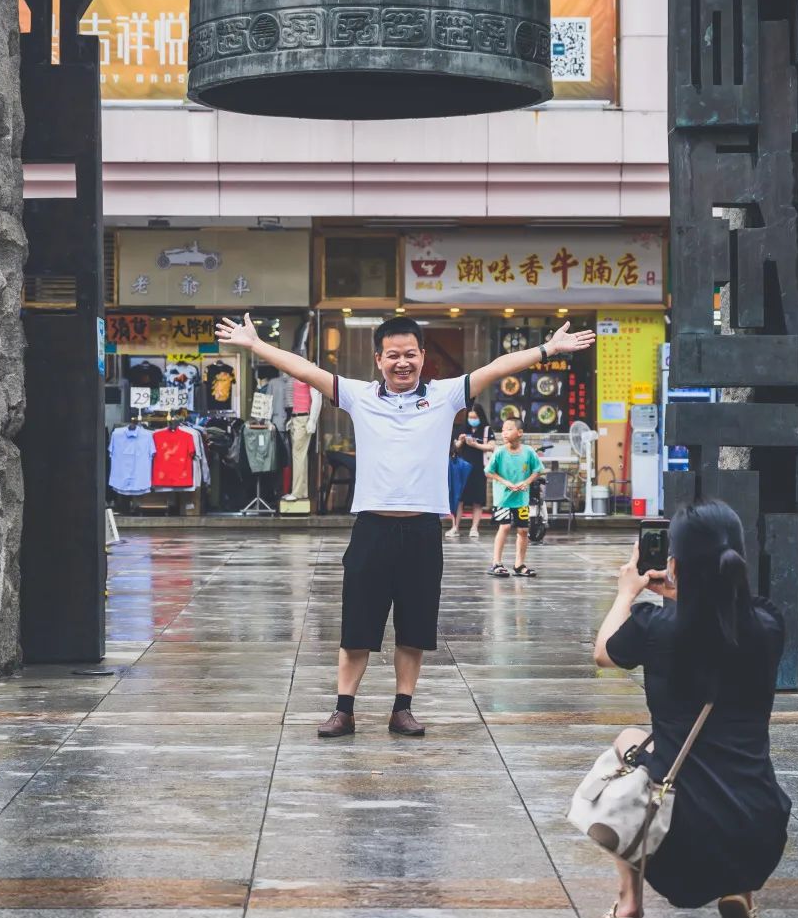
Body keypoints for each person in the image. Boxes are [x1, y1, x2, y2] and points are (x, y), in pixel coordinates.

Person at [215, 311, 595, 739]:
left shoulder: (446, 395)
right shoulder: (359, 395)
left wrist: (548, 349)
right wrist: (255, 345)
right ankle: (344, 710)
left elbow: (496, 367)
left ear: (423, 356)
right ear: (378, 359)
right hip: (372, 529)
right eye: (392, 355)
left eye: (409, 354)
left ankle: (403, 708)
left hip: (421, 532)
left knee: (414, 628)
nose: (402, 363)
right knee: (357, 628)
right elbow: (305, 369)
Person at [592, 501, 791, 918]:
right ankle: (742, 896)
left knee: (626, 744)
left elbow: (604, 652)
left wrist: (627, 592)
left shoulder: (654, 627)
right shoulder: (768, 624)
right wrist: (688, 593)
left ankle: (628, 905)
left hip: (678, 841)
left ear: (673, 562)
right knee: (731, 767)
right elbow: (723, 619)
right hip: (758, 832)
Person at [486, 418, 544, 578]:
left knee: (523, 530)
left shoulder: (529, 451)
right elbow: (489, 471)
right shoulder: (499, 452)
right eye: (503, 429)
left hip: (521, 499)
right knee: (504, 527)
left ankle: (519, 565)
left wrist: (527, 482)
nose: (504, 432)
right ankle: (496, 563)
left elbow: (538, 470)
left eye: (509, 429)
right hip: (503, 498)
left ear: (520, 433)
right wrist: (505, 482)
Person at [449, 400, 494, 539]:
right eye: (470, 417)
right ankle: (455, 527)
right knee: (459, 498)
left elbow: (491, 446)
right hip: (462, 469)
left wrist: (475, 445)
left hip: (479, 468)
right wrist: (461, 442)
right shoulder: (462, 429)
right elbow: (455, 446)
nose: (472, 420)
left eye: (475, 417)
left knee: (477, 499)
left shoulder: (486, 429)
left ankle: (474, 528)